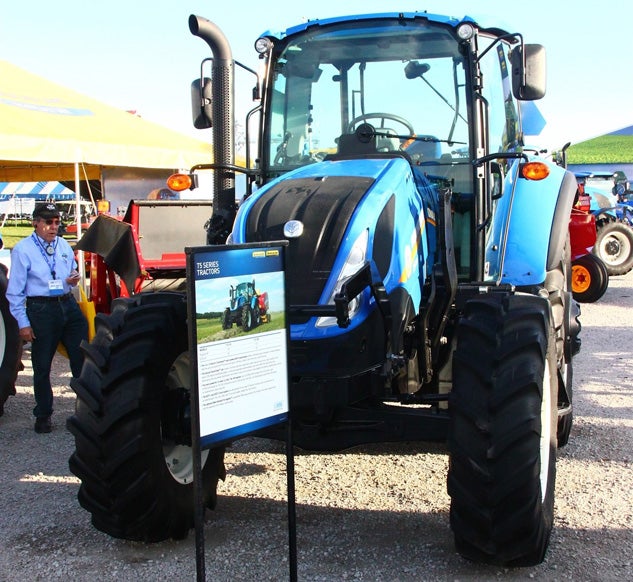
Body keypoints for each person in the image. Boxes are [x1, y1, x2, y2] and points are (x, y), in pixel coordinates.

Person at [6, 202, 88, 433]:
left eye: (56, 222)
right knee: (42, 365)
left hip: (67, 304)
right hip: (41, 308)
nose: (53, 227)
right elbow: (15, 292)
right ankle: (43, 414)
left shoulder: (63, 244)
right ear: (36, 223)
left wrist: (73, 278)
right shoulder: (23, 249)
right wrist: (23, 323)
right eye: (48, 222)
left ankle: (86, 411)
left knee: (82, 358)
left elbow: (70, 270)